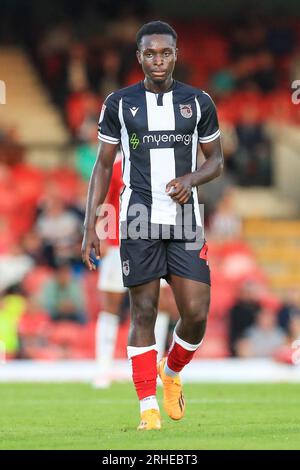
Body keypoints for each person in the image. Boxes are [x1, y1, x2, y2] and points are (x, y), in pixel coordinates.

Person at [82, 20, 223, 431]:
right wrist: (91, 223)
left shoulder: (198, 102)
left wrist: (191, 180)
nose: (157, 59)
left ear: (175, 55)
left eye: (165, 53)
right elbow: (103, 165)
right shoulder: (119, 104)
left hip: (184, 220)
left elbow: (215, 160)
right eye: (150, 53)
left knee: (195, 313)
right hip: (138, 220)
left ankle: (173, 371)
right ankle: (148, 408)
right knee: (142, 311)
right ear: (139, 57)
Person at [94, 153, 175, 388]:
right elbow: (105, 202)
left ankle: (155, 364)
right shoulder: (116, 164)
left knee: (157, 305)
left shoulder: (160, 162)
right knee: (110, 304)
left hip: (152, 244)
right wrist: (104, 237)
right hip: (120, 244)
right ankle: (103, 368)